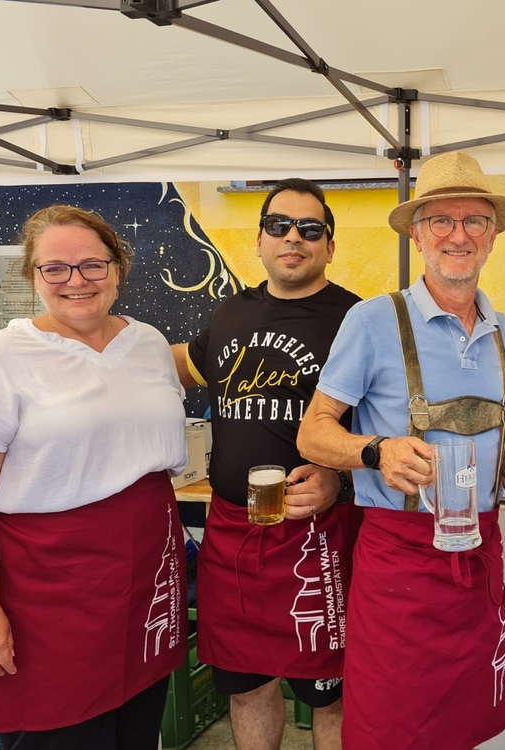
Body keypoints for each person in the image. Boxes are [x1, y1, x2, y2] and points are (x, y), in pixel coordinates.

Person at [296, 151, 505, 750]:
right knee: (389, 729)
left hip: (479, 557)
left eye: (474, 221)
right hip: (401, 563)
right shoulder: (373, 321)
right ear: (418, 235)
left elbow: (501, 440)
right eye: (441, 220)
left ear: (493, 235)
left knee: (466, 726)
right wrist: (377, 452)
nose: (458, 235)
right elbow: (313, 432)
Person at [0, 205, 188, 749]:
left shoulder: (148, 342)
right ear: (33, 277)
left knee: (138, 726)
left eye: (92, 265)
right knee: (60, 732)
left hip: (148, 569)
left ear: (117, 269)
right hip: (47, 585)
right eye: (55, 268)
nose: (76, 280)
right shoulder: (0, 359)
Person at [172, 179, 363, 750]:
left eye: (310, 229)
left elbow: (392, 427)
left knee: (331, 694)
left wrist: (341, 478)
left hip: (319, 537)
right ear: (259, 240)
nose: (293, 238)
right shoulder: (232, 311)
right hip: (234, 534)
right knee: (247, 688)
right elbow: (180, 366)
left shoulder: (358, 319)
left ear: (330, 245)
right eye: (278, 226)